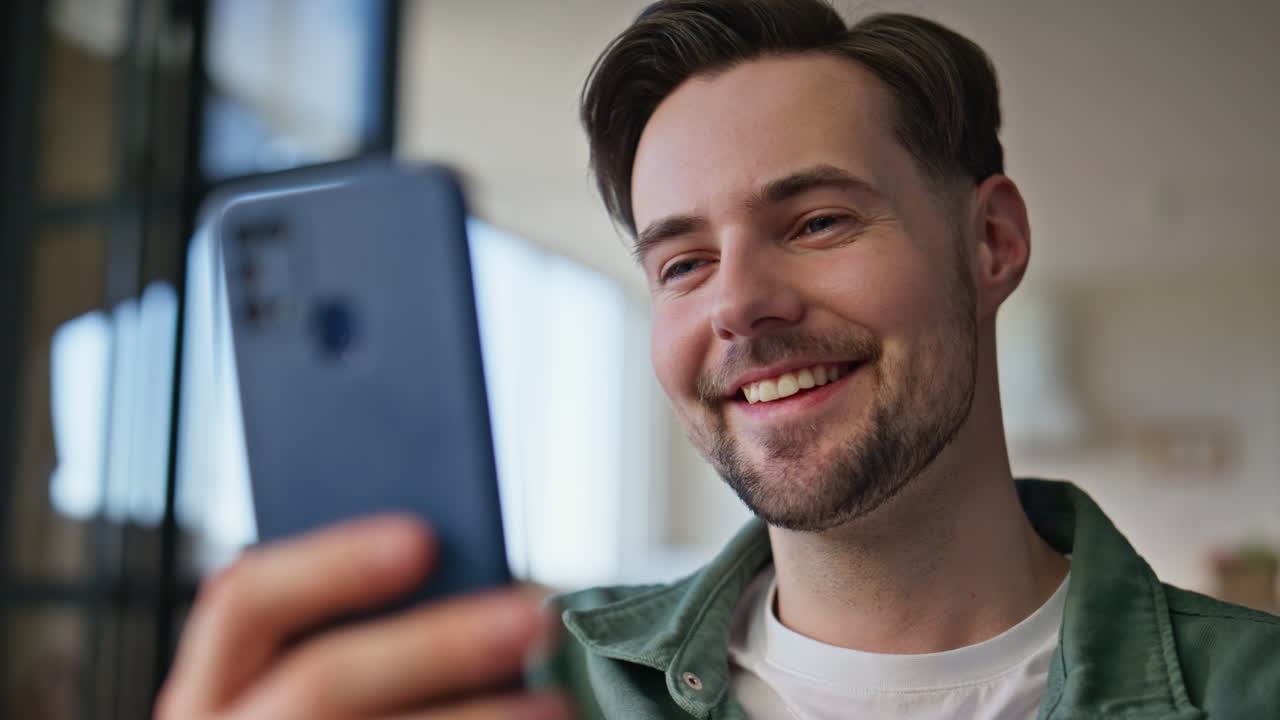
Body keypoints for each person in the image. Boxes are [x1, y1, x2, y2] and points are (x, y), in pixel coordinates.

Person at [156, 1, 1280, 718]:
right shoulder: (534, 692)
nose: (738, 305)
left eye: (817, 222)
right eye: (680, 264)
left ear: (989, 243)